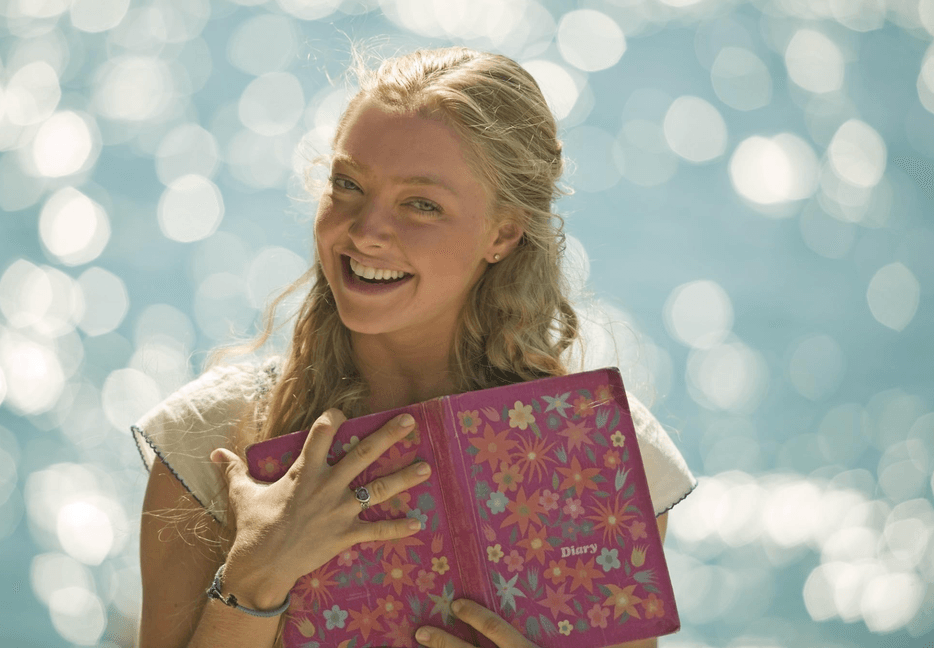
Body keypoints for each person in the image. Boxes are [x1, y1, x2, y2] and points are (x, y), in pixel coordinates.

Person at [133, 46, 695, 648]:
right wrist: (254, 576)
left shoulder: (600, 451)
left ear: (504, 233)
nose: (366, 231)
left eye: (421, 204)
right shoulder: (213, 437)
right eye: (347, 185)